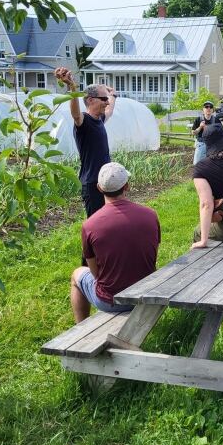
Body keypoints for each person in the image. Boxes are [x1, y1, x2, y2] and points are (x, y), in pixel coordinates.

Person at [70, 162, 160, 323]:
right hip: (145, 292)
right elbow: (151, 254)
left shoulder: (90, 225)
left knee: (77, 274)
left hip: (110, 301)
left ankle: (80, 325)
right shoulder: (150, 215)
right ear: (127, 186)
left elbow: (95, 273)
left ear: (99, 188)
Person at [56, 67, 116, 218]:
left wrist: (112, 95)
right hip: (91, 183)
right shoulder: (84, 121)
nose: (107, 103)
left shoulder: (100, 120)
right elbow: (75, 114)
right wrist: (72, 87)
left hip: (105, 180)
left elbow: (110, 110)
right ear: (90, 100)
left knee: (108, 220)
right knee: (97, 222)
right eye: (104, 99)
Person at [191, 100, 221, 165]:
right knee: (197, 164)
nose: (208, 108)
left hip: (212, 146)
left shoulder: (216, 120)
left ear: (213, 110)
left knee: (212, 165)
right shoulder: (198, 119)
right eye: (206, 107)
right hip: (201, 144)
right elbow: (193, 133)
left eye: (210, 107)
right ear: (203, 109)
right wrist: (200, 127)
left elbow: (221, 133)